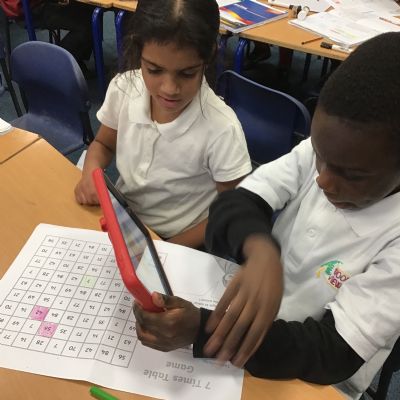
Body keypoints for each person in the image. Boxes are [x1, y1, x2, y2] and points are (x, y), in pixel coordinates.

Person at [132, 32, 400, 400]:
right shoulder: (332, 150)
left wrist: (204, 331)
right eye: (320, 157)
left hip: (313, 378)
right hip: (248, 327)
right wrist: (261, 249)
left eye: (351, 176)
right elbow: (234, 204)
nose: (323, 180)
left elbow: (332, 353)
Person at [74, 0, 252, 249]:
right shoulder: (124, 88)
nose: (169, 89)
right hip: (126, 219)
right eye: (154, 70)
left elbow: (232, 210)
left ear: (209, 55)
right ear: (138, 49)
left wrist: (165, 248)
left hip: (179, 240)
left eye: (187, 73)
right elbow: (103, 144)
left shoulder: (221, 128)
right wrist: (91, 173)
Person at [0, 0, 94, 71]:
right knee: (87, 22)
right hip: (28, 10)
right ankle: (55, 66)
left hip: (33, 5)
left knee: (90, 9)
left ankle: (76, 60)